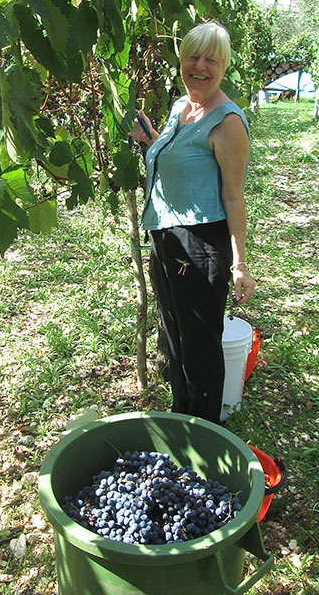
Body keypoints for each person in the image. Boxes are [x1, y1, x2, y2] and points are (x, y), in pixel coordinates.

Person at [128, 21, 256, 424]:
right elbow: (182, 162)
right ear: (181, 62)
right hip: (166, 238)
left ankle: (205, 435)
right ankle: (182, 419)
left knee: (199, 346)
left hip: (200, 244)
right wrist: (152, 143)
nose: (199, 67)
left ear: (224, 67)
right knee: (175, 338)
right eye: (192, 57)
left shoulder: (226, 122)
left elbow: (234, 196)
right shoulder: (180, 108)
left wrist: (239, 264)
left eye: (211, 60)